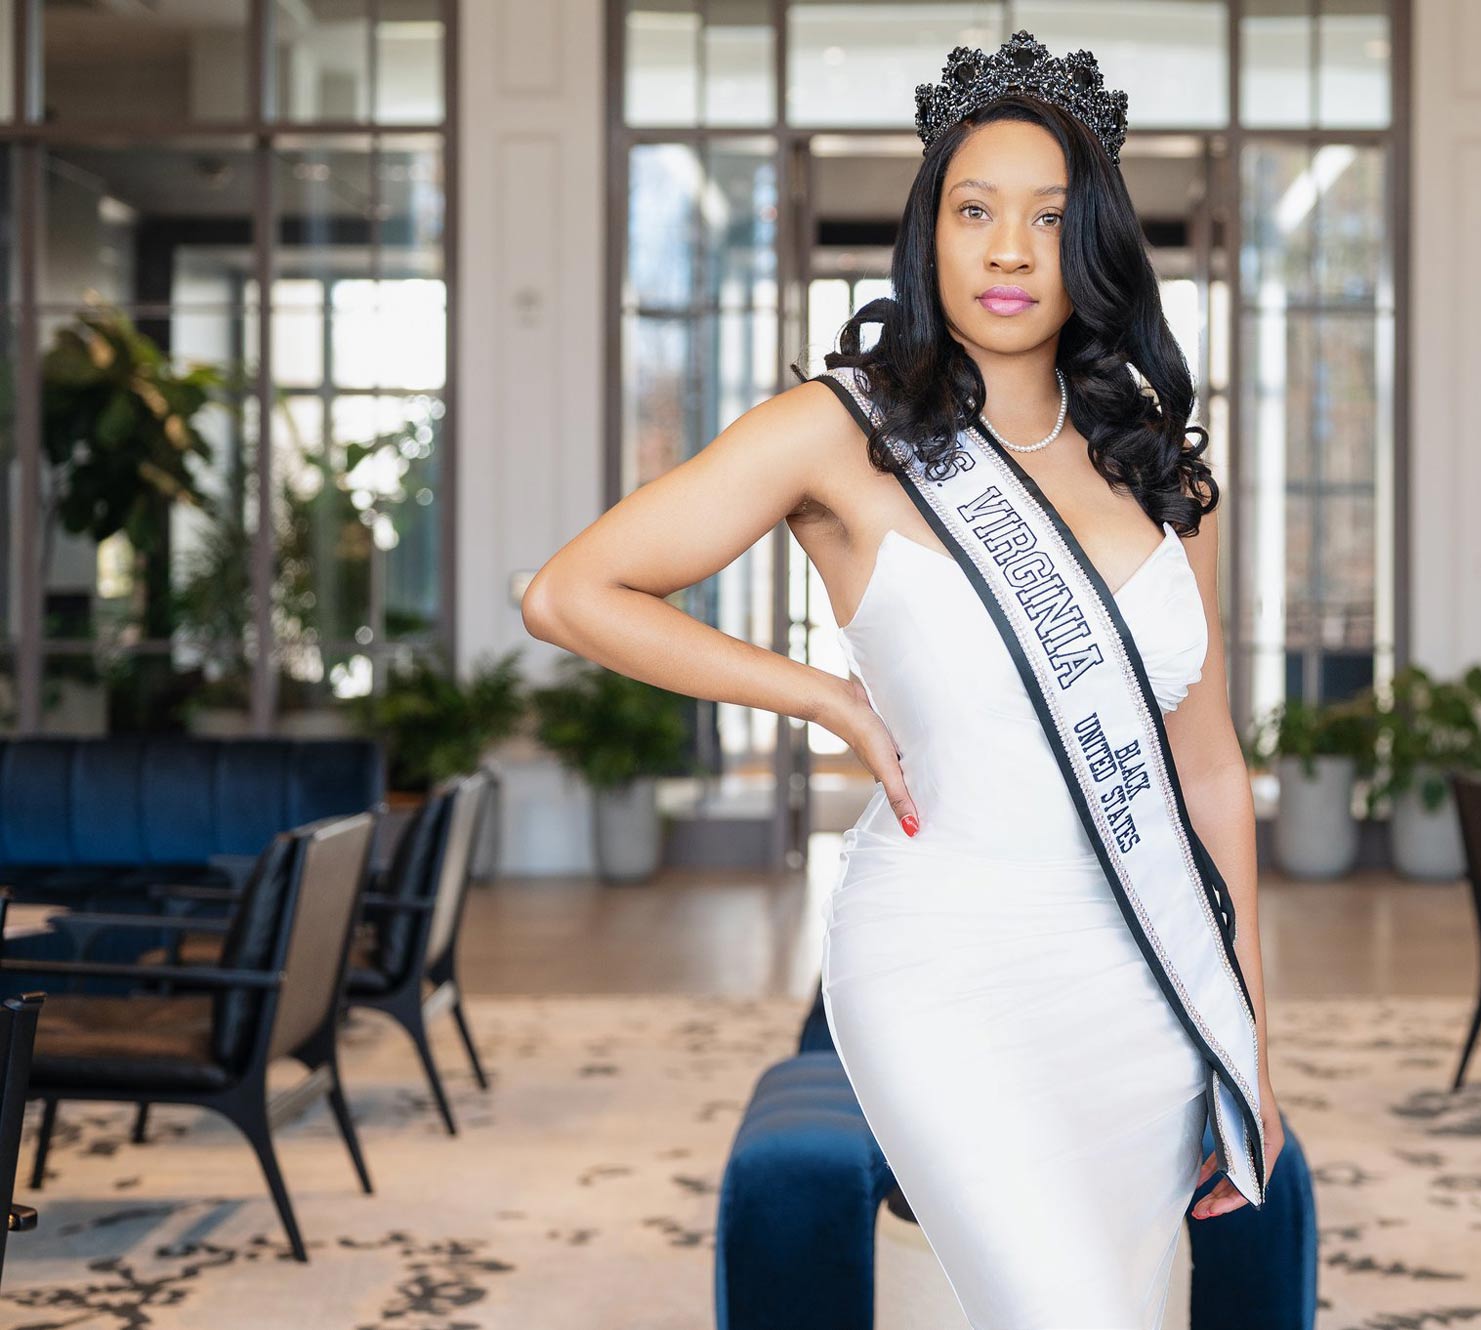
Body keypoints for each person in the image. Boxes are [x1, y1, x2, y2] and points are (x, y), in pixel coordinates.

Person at [522, 30, 1284, 1329]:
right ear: (929, 232)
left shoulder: (1155, 467)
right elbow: (569, 592)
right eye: (975, 210)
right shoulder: (846, 431)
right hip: (943, 962)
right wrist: (815, 694)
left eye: (1047, 219)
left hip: (1140, 977)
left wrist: (1250, 1037)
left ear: (1092, 245)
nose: (1007, 251)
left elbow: (1207, 768)